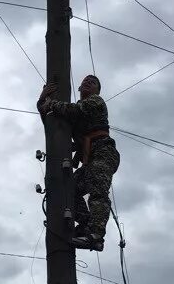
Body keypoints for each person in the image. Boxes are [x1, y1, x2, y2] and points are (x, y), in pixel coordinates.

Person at [37, 74, 120, 251]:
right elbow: (49, 119)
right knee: (69, 189)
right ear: (79, 89)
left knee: (98, 191)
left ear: (97, 90)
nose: (88, 83)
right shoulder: (73, 117)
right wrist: (42, 99)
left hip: (104, 152)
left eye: (93, 83)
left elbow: (71, 110)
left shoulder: (95, 102)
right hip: (91, 159)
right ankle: (84, 226)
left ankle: (96, 236)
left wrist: (50, 103)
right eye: (85, 82)